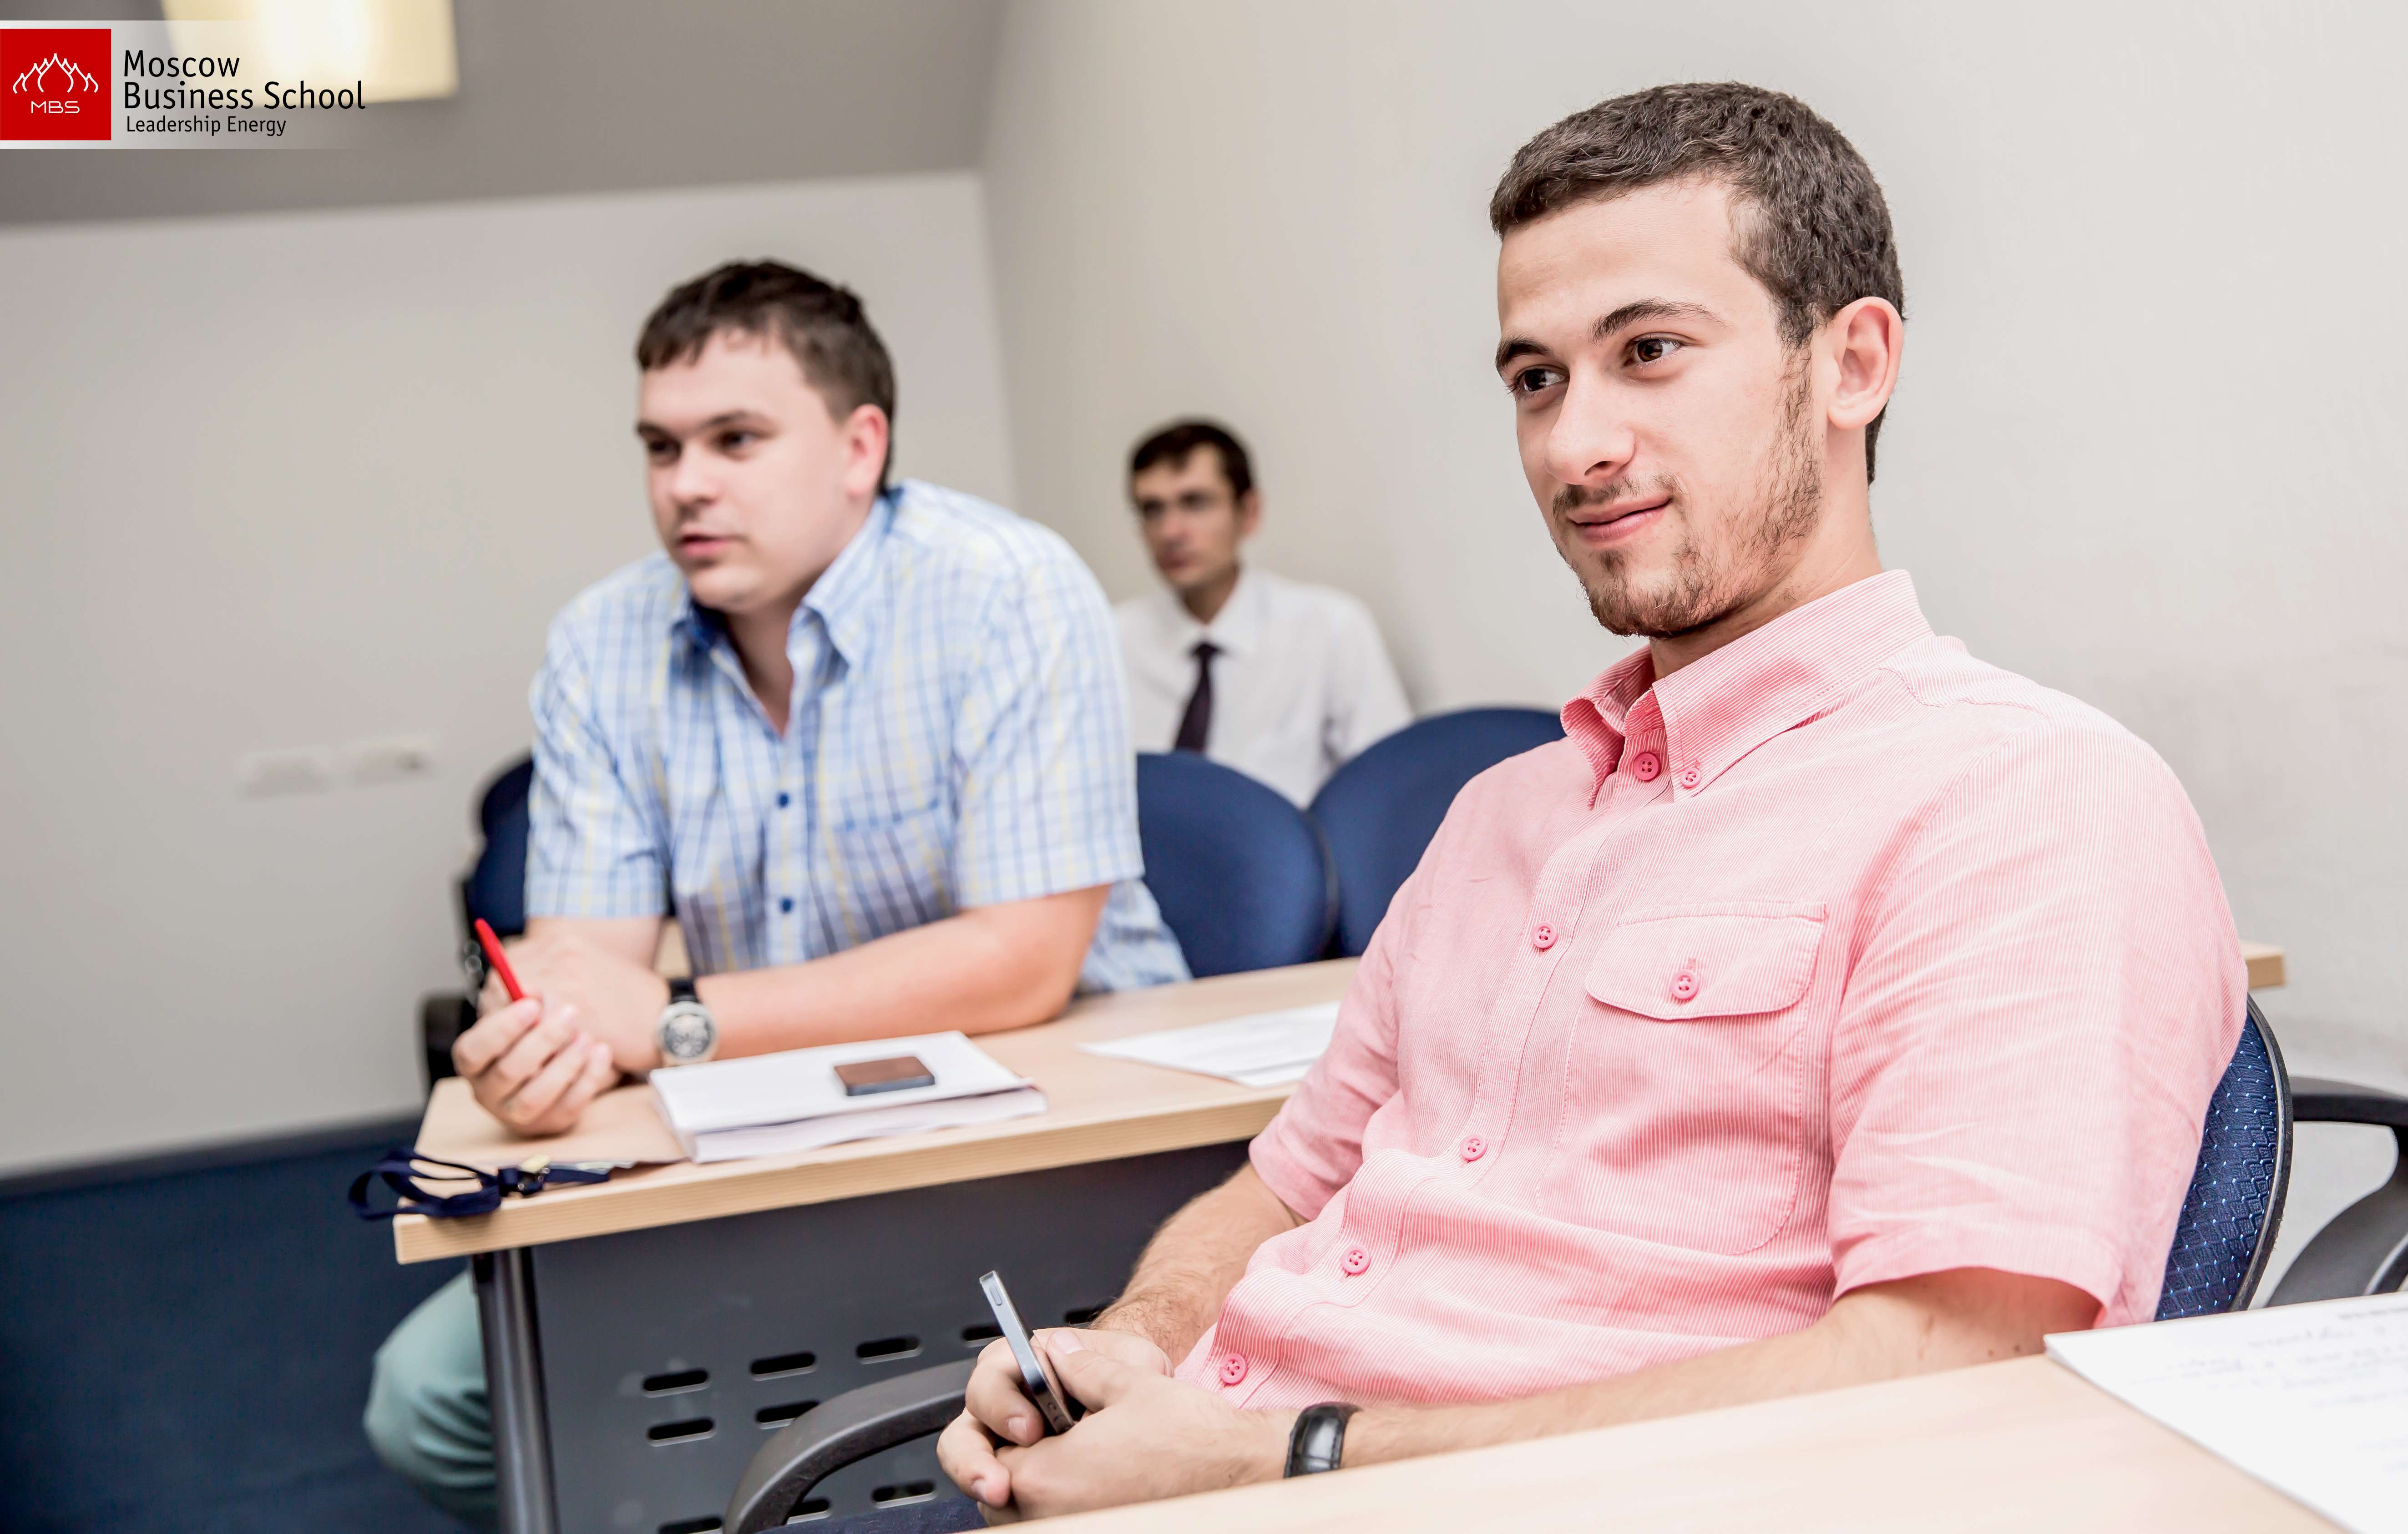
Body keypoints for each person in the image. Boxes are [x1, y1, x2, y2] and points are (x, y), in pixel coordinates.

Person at [935, 82, 2244, 1520]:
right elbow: (1284, 1187)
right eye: (1535, 380)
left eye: (1648, 352)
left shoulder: (2021, 798)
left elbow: (1957, 1364)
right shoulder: (1501, 813)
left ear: (1850, 362)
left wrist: (1272, 1455)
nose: (1572, 446)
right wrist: (1128, 1349)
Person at [363, 260, 1187, 1528]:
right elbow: (585, 976)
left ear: (860, 447)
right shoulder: (601, 643)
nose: (684, 484)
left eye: (734, 439)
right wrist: (547, 1048)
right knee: (426, 1398)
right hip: (770, 1143)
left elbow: (1022, 961)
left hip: (1062, 1133)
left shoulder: (1006, 585)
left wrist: (671, 1020)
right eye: (661, 446)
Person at [1115, 419, 1410, 804]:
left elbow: (1392, 788)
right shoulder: (1112, 640)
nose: (1170, 532)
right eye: (1152, 510)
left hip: (1293, 842)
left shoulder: (1331, 627)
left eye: (1196, 503)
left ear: (1249, 512)